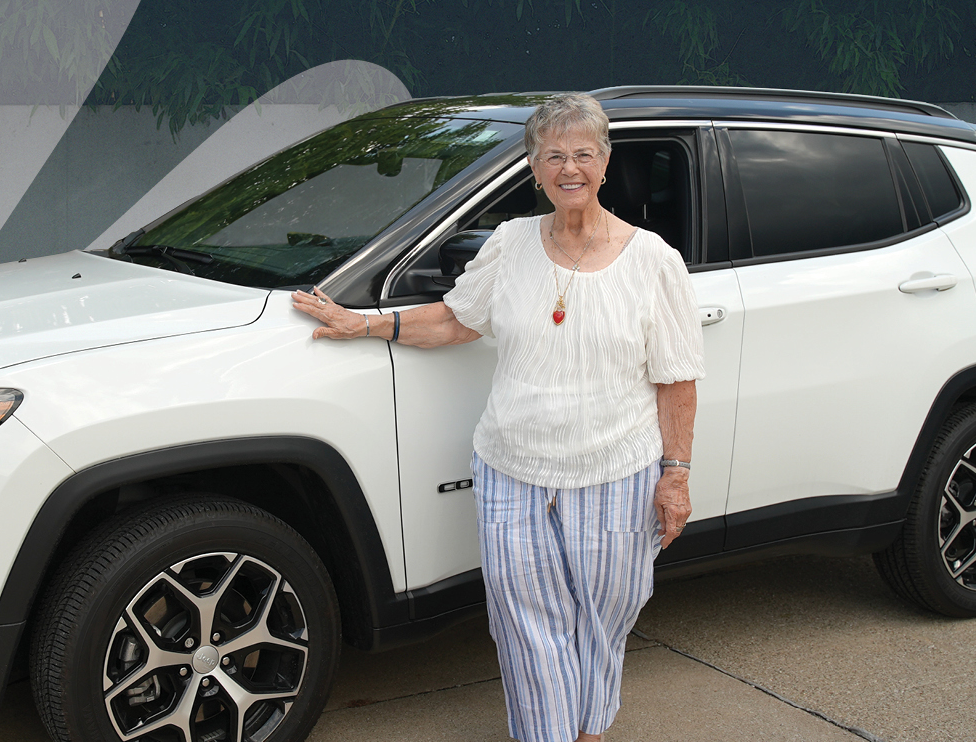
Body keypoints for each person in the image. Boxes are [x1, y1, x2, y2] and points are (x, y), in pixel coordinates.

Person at [291, 92, 704, 742]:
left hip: (614, 471)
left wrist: (674, 475)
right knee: (522, 621)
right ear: (535, 168)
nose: (570, 168)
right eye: (553, 156)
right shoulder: (510, 245)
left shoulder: (653, 260)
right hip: (513, 469)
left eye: (583, 154)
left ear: (604, 161)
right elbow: (456, 319)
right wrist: (362, 323)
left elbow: (677, 377)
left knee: (603, 615)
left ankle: (590, 727)